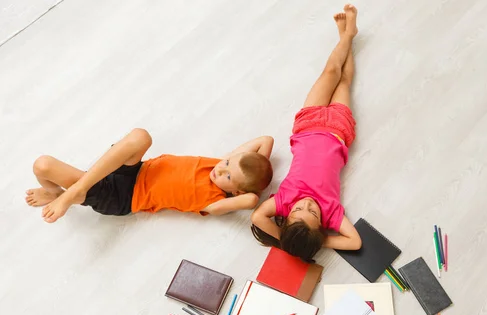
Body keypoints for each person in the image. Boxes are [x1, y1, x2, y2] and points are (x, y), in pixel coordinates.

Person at [251, 4, 361, 262]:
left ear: (287, 217)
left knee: (330, 73)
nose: (307, 204)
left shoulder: (287, 199)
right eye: (312, 212)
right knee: (344, 81)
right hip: (337, 129)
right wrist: (317, 241)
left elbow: (257, 217)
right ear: (321, 226)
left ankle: (347, 35)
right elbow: (354, 242)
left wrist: (287, 240)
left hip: (308, 125)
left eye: (298, 210)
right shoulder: (331, 211)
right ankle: (348, 36)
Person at [26, 128, 274, 222]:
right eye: (228, 162)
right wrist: (241, 169)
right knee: (141, 136)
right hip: (135, 170)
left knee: (43, 165)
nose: (221, 169)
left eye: (228, 177)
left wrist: (254, 190)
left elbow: (251, 201)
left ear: (237, 191)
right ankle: (62, 192)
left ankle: (72, 191)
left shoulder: (214, 201)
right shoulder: (218, 165)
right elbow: (266, 140)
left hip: (123, 197)